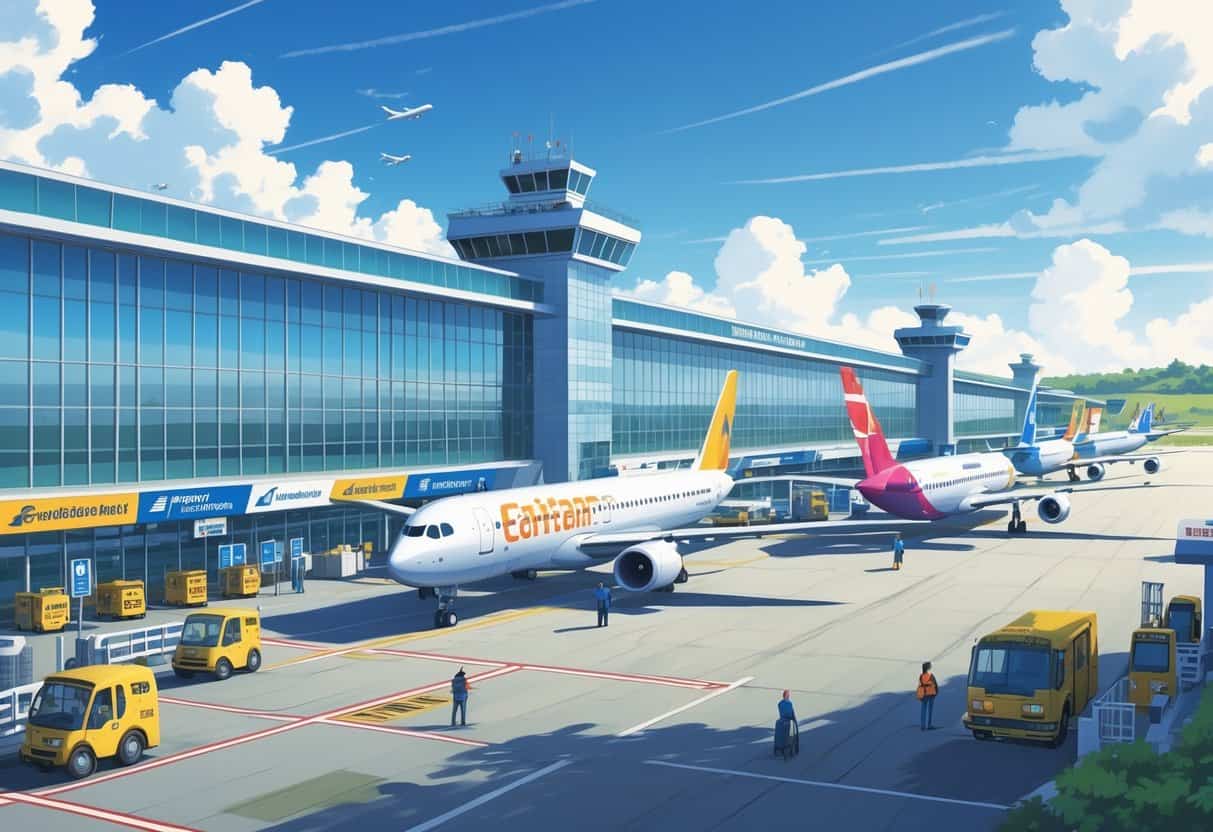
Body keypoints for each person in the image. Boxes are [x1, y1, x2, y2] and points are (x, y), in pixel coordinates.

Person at [917, 661, 938, 731]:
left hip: (924, 694)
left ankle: (923, 726)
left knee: (923, 710)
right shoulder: (931, 675)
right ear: (928, 667)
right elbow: (935, 684)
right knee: (930, 710)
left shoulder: (921, 675)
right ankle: (929, 725)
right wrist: (936, 692)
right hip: (931, 694)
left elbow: (919, 685)